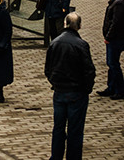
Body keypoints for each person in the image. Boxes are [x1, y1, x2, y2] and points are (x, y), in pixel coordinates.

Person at [45, 12, 96, 160]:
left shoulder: (55, 43)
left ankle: (56, 156)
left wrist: (54, 82)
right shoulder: (82, 45)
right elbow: (89, 71)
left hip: (60, 92)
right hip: (77, 93)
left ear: (65, 24)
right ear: (79, 26)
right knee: (75, 130)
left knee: (58, 128)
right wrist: (87, 88)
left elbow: (48, 68)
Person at [97, 0, 124, 100]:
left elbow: (116, 22)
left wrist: (108, 37)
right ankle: (111, 87)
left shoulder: (118, 3)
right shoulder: (116, 1)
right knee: (111, 63)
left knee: (113, 64)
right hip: (114, 38)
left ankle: (119, 90)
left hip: (116, 39)